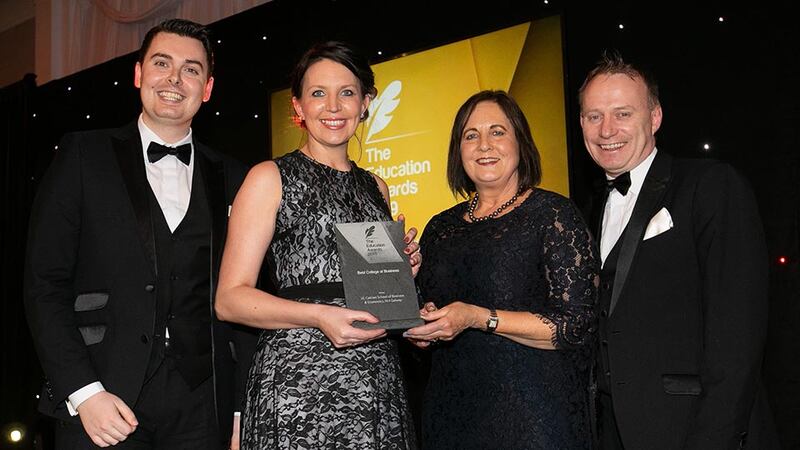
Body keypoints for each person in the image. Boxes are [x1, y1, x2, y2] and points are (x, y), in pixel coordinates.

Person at [24, 19, 255, 449]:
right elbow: (44, 285)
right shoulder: (81, 155)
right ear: (138, 74)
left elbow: (244, 301)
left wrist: (241, 408)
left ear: (206, 88)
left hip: (203, 408)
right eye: (162, 63)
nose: (174, 78)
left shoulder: (236, 177)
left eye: (191, 69)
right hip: (102, 399)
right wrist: (84, 392)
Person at [214, 41, 419, 449]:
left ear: (365, 104)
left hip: (373, 378)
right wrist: (319, 316)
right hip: (296, 384)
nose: (333, 106)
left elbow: (377, 295)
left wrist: (404, 275)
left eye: (347, 92)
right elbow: (229, 300)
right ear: (299, 106)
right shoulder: (268, 177)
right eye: (318, 94)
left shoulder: (376, 187)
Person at [578, 52, 778, 449]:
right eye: (593, 116)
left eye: (623, 114)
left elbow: (738, 335)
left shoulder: (711, 186)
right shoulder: (586, 210)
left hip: (693, 430)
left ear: (654, 118)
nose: (606, 130)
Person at [404, 90, 598, 449]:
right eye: (471, 135)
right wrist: (420, 322)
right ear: (457, 151)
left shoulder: (553, 215)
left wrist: (478, 317)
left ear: (520, 142)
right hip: (450, 420)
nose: (484, 145)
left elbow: (576, 327)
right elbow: (427, 327)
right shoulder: (440, 228)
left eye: (497, 131)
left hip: (533, 421)